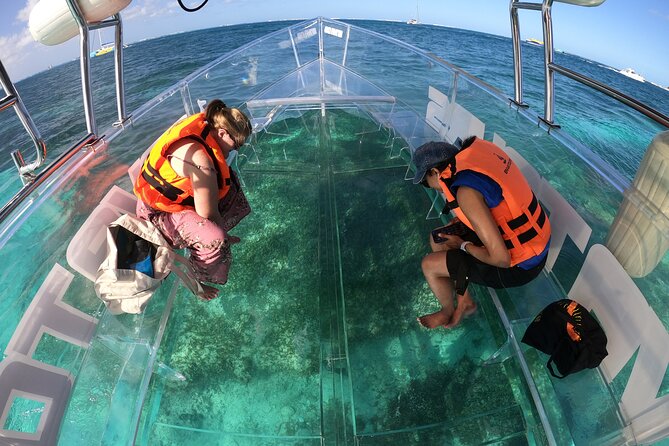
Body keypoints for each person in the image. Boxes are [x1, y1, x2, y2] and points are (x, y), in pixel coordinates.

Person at [412, 136, 551, 328]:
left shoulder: (465, 192)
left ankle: (447, 309)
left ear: (435, 171)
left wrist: (462, 245)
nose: (433, 189)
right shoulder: (478, 158)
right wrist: (469, 219)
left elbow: (501, 259)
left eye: (426, 182)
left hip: (520, 266)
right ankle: (464, 299)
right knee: (438, 238)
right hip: (538, 242)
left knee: (429, 265)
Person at [133, 99, 252, 300]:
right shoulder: (201, 162)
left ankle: (205, 241)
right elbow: (208, 213)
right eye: (237, 143)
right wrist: (220, 232)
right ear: (222, 133)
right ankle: (198, 277)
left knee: (231, 187)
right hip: (155, 216)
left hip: (172, 203)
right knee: (215, 238)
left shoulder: (206, 130)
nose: (236, 149)